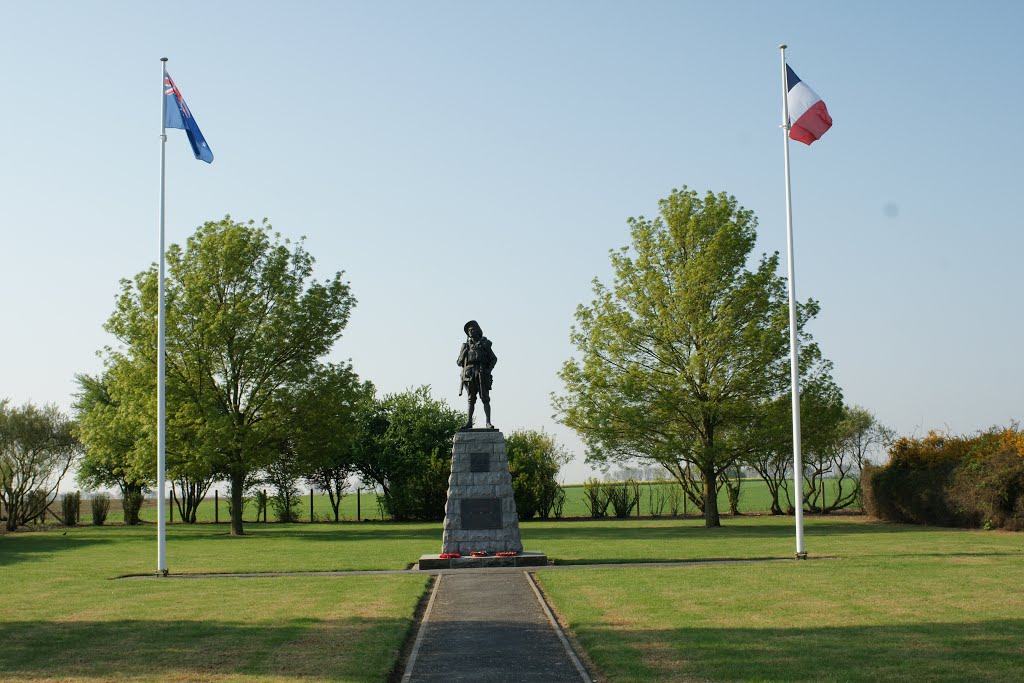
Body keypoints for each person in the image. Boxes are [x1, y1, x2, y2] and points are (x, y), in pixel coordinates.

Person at [457, 320, 497, 429]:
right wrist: (464, 353)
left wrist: (488, 370)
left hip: (481, 372)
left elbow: (493, 359)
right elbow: (459, 362)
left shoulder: (484, 344)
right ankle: (469, 422)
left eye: (472, 329)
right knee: (471, 399)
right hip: (469, 375)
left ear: (477, 330)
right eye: (469, 330)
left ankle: (488, 422)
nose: (470, 331)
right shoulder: (465, 346)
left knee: (485, 398)